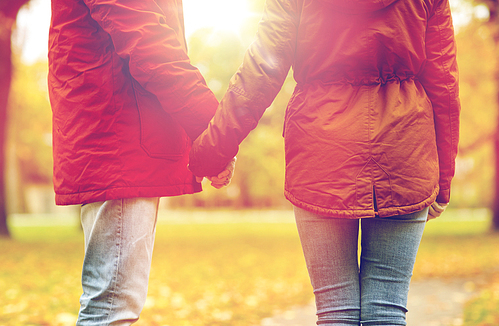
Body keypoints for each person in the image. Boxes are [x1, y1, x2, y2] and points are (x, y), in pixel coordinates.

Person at [188, 0, 460, 324]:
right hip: (404, 150)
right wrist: (442, 181)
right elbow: (444, 84)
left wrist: (213, 151)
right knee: (387, 308)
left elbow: (261, 71)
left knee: (335, 310)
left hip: (322, 151)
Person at [48, 0, 233, 324]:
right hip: (118, 136)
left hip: (117, 133)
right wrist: (211, 130)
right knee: (112, 308)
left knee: (112, 304)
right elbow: (148, 39)